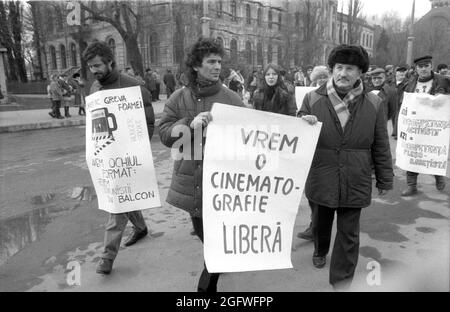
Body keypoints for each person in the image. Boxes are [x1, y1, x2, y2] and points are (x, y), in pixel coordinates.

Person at [298, 44, 393, 290]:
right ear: (331, 70)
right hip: (321, 175)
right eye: (339, 67)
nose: (343, 73)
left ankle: (341, 282)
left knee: (349, 235)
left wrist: (385, 178)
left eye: (350, 68)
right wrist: (301, 123)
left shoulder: (373, 103)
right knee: (321, 222)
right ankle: (320, 249)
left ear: (360, 72)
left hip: (356, 176)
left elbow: (381, 143)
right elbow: (294, 137)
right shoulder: (312, 98)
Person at [159, 37, 244, 292]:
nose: (217, 66)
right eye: (211, 61)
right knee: (205, 236)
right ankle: (222, 258)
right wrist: (188, 124)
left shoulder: (231, 98)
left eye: (219, 61)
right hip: (192, 183)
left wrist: (297, 126)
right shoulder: (178, 98)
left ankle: (205, 289)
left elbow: (254, 134)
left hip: (223, 185)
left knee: (215, 244)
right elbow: (164, 135)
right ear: (196, 65)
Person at [82, 41, 155, 275]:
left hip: (129, 157)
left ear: (110, 62)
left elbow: (149, 121)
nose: (94, 70)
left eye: (97, 65)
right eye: (90, 67)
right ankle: (141, 227)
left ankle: (107, 256)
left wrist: (137, 151)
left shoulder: (133, 86)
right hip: (106, 155)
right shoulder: (95, 88)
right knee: (124, 198)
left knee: (118, 203)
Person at [400, 55, 450, 196]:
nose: (423, 69)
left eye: (426, 66)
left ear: (431, 66)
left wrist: (442, 95)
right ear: (416, 69)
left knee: (432, 152)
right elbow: (404, 101)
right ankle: (411, 185)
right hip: (414, 126)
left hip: (434, 126)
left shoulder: (442, 80)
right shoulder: (411, 82)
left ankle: (438, 177)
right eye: (420, 67)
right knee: (412, 154)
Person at [296, 65, 331, 241]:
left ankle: (318, 231)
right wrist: (305, 117)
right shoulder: (310, 97)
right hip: (312, 151)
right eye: (319, 78)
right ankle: (314, 225)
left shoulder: (336, 98)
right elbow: (300, 115)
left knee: (324, 196)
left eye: (325, 77)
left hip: (330, 151)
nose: (322, 81)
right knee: (312, 192)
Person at [369, 68, 397, 132]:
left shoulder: (391, 91)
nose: (376, 80)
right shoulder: (367, 90)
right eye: (374, 78)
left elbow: (393, 110)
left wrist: (384, 118)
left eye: (379, 78)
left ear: (384, 78)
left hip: (381, 125)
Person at [391, 66, 409, 140]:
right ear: (396, 75)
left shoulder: (407, 83)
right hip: (392, 102)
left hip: (401, 102)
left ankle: (397, 133)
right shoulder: (392, 82)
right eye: (400, 75)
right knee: (393, 117)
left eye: (403, 75)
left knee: (399, 118)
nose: (402, 76)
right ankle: (395, 131)